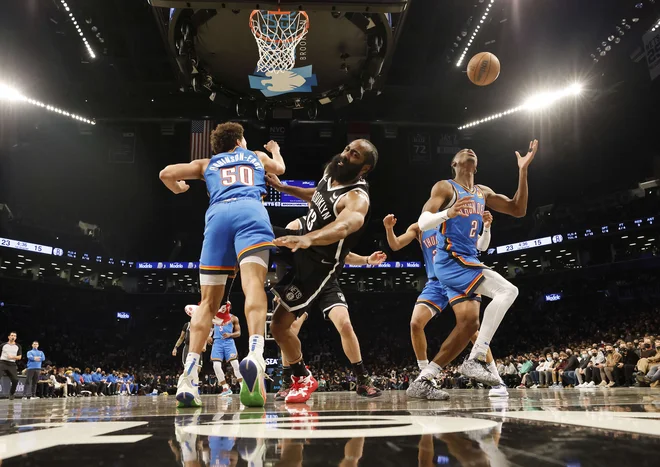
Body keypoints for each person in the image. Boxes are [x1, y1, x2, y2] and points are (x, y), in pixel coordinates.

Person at [159, 122, 285, 408]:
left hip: (217, 218)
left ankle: (188, 377)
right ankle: (254, 354)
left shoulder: (207, 163)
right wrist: (275, 151)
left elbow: (165, 173)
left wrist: (178, 188)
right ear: (240, 141)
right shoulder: (254, 155)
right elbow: (280, 169)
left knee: (207, 304)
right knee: (253, 284)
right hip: (250, 212)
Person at [268, 139, 382, 403]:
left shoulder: (357, 198)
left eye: (354, 155)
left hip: (319, 267)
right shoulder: (332, 171)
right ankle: (294, 378)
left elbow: (344, 227)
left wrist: (310, 238)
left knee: (290, 325)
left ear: (364, 168)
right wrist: (284, 187)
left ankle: (357, 378)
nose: (345, 155)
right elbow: (316, 194)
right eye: (347, 149)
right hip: (303, 251)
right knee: (256, 228)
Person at [415, 142, 538, 385]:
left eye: (473, 151)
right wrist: (447, 214)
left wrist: (523, 171)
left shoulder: (482, 192)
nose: (469, 149)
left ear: (477, 166)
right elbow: (422, 222)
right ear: (454, 164)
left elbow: (518, 209)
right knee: (508, 290)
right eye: (462, 152)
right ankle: (477, 358)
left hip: (468, 260)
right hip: (452, 259)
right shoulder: (446, 187)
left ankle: (424, 380)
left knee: (469, 324)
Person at [384, 210, 508, 399]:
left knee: (471, 330)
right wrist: (389, 229)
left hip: (457, 275)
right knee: (415, 323)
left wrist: (486, 227)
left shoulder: (455, 221)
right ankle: (425, 377)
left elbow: (478, 246)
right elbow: (395, 244)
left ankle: (497, 380)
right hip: (435, 282)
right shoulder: (419, 227)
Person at [208, 302, 243, 396]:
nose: (223, 308)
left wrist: (230, 334)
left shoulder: (233, 318)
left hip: (229, 342)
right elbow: (210, 329)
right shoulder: (214, 317)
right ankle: (225, 388)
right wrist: (209, 336)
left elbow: (238, 333)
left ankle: (243, 387)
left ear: (229, 307)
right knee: (216, 366)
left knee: (235, 364)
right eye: (221, 306)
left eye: (225, 307)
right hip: (217, 342)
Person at [0, 332, 22, 400]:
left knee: (15, 380)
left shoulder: (18, 346)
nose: (13, 337)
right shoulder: (3, 345)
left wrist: (12, 357)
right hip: (2, 362)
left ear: (16, 338)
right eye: (12, 335)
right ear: (9, 337)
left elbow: (19, 357)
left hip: (12, 364)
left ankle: (11, 394)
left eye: (15, 336)